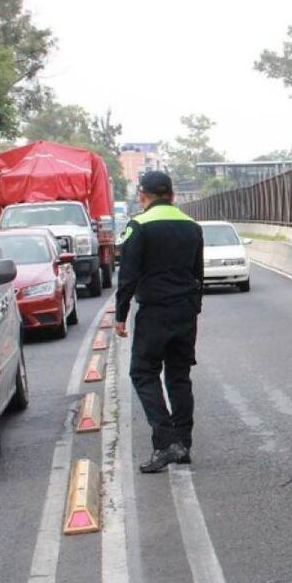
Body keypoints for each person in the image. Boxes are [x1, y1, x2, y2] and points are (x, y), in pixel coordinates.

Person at [114, 171, 205, 474]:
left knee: (142, 372)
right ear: (173, 195)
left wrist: (120, 314)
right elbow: (198, 273)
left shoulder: (138, 225)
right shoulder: (192, 226)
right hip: (185, 311)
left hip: (154, 312)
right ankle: (183, 445)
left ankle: (165, 442)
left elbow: (128, 275)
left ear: (143, 195)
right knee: (179, 377)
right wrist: (194, 308)